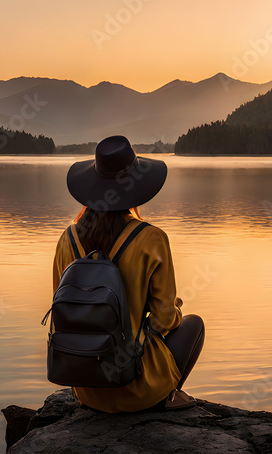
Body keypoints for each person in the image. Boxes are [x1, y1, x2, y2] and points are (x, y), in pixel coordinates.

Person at [53, 135, 205, 412]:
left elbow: (61, 310)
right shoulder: (151, 238)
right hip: (135, 386)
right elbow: (164, 320)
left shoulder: (68, 239)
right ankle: (163, 396)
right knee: (194, 325)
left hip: (86, 389)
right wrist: (176, 310)